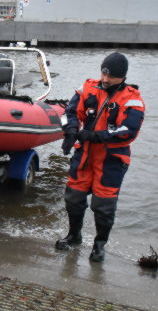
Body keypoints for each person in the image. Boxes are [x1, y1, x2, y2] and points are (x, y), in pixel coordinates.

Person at [56, 53, 145, 262]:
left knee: (103, 205)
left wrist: (96, 136)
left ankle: (99, 245)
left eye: (111, 76)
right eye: (103, 73)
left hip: (111, 159)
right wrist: (70, 131)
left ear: (122, 77)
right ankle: (74, 235)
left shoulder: (133, 99)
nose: (105, 79)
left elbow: (128, 131)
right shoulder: (88, 88)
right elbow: (69, 111)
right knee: (73, 197)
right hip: (84, 154)